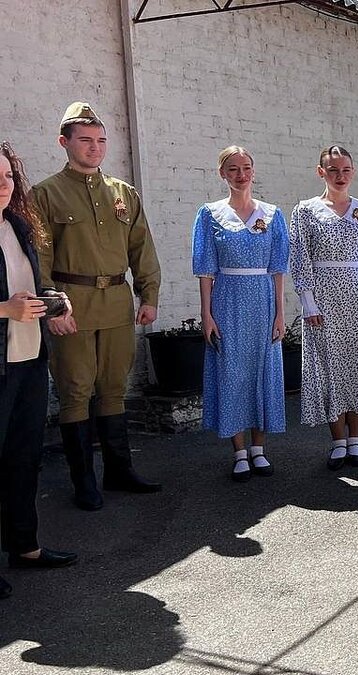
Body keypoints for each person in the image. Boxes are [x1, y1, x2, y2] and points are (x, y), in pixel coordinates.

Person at [33, 102, 162, 511]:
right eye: (85, 140)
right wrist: (53, 308)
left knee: (113, 389)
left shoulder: (123, 193)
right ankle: (84, 482)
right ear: (64, 142)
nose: (95, 148)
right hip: (73, 306)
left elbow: (142, 247)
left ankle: (120, 472)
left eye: (101, 140)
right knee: (75, 392)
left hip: (116, 303)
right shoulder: (46, 194)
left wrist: (149, 295)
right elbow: (40, 258)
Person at [0, 142, 78, 598]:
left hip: (29, 361)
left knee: (24, 458)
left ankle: (24, 546)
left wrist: (53, 300)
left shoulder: (17, 227)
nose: (4, 186)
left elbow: (29, 286)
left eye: (9, 176)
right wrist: (5, 309)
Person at [290, 145, 358, 470]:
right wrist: (308, 301)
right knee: (328, 367)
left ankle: (356, 440)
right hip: (322, 300)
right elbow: (299, 256)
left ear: (353, 171)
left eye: (345, 170)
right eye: (333, 170)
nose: (340, 176)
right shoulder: (305, 211)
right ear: (321, 172)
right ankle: (337, 440)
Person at [192, 146, 288, 481]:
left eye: (246, 167)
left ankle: (259, 448)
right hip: (228, 301)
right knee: (231, 371)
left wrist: (280, 313)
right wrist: (206, 314)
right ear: (222, 173)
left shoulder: (273, 215)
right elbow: (205, 270)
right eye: (233, 169)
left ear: (254, 171)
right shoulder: (209, 215)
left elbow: (278, 269)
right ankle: (239, 451)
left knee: (263, 370)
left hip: (263, 300)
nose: (241, 175)